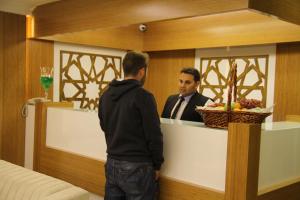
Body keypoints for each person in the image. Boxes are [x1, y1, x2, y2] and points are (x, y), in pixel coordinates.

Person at [98, 51, 164, 200]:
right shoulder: (143, 96)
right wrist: (157, 164)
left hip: (112, 163)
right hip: (138, 166)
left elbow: (104, 126)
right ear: (142, 71)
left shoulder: (106, 95)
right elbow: (154, 135)